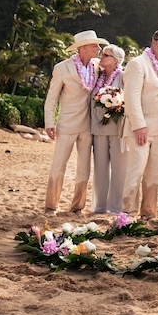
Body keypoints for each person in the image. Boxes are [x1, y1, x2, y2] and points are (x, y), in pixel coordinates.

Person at [43, 29, 107, 216]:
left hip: (88, 125)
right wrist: (49, 123)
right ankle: (51, 206)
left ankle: (78, 206)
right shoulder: (62, 68)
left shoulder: (97, 66)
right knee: (59, 165)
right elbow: (51, 98)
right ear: (83, 48)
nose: (98, 48)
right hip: (67, 124)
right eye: (95, 45)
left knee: (84, 168)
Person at [121, 29, 158, 219]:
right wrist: (139, 125)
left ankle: (148, 213)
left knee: (153, 174)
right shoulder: (137, 64)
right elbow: (131, 97)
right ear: (153, 42)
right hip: (140, 128)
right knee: (135, 171)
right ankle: (127, 214)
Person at [90, 43, 127, 214]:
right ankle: (100, 206)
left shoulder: (123, 77)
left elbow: (129, 99)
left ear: (115, 60)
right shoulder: (97, 75)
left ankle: (117, 207)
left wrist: (117, 104)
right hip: (98, 128)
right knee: (100, 168)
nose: (101, 58)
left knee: (120, 169)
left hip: (118, 129)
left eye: (106, 55)